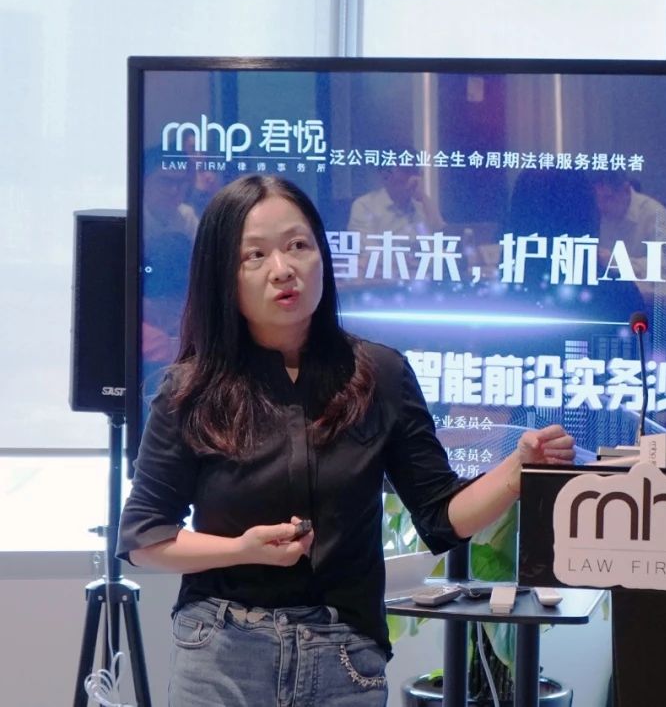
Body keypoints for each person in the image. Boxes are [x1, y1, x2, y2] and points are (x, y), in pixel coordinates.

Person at [117, 174, 575, 706]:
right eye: (255, 255)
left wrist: (516, 471)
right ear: (223, 275)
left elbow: (439, 515)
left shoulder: (380, 374)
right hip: (222, 651)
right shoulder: (191, 390)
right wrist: (240, 550)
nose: (283, 269)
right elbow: (145, 539)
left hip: (342, 656)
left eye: (298, 245)